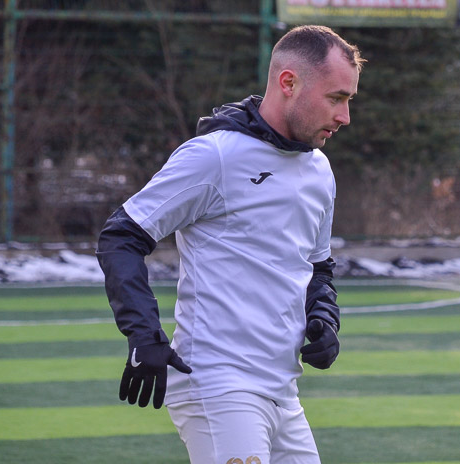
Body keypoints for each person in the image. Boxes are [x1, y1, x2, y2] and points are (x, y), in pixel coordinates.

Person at [96, 24, 364, 464]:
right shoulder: (215, 156)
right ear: (288, 83)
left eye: (349, 101)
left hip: (282, 390)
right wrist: (143, 333)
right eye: (336, 98)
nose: (344, 117)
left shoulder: (319, 171)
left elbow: (318, 268)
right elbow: (121, 235)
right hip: (216, 384)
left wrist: (323, 319)